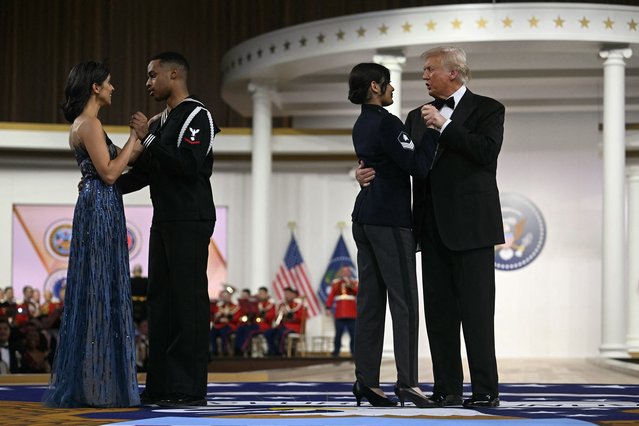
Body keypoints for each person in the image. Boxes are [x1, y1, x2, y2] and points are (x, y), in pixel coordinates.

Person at [357, 47, 504, 408]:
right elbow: (402, 163)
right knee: (438, 317)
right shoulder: (412, 116)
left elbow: (486, 152)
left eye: (429, 69)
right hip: (429, 229)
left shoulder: (489, 109)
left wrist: (446, 126)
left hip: (472, 230)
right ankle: (447, 388)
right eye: (423, 70)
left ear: (453, 73)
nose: (423, 76)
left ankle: (485, 390)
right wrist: (363, 174)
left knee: (477, 314)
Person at [118, 51, 219, 407]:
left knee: (187, 304)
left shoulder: (197, 114)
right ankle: (161, 383)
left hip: (190, 219)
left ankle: (188, 387)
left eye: (151, 75)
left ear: (173, 74)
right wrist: (109, 182)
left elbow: (189, 166)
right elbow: (146, 173)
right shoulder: (161, 122)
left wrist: (146, 140)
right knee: (160, 303)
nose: (147, 83)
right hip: (164, 220)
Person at [43, 60, 141, 407]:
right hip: (100, 207)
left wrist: (145, 133)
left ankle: (95, 383)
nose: (114, 88)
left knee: (98, 289)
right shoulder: (89, 124)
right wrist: (133, 138)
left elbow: (124, 159)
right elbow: (111, 173)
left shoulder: (86, 125)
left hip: (96, 205)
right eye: (110, 83)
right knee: (101, 290)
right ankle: (99, 386)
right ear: (95, 87)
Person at [347, 62, 437, 409]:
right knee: (405, 304)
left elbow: (375, 166)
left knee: (370, 304)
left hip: (364, 218)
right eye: (388, 85)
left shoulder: (360, 124)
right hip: (389, 221)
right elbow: (418, 166)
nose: (393, 90)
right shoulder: (387, 122)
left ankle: (366, 382)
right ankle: (408, 384)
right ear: (374, 86)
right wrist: (431, 132)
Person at [324, 265, 358, 357]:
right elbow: (331, 295)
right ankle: (336, 351)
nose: (345, 273)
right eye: (344, 271)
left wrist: (349, 284)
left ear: (350, 273)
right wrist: (328, 307)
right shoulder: (336, 283)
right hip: (340, 312)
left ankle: (354, 352)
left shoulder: (354, 282)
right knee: (338, 333)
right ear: (341, 273)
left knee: (353, 333)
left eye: (347, 271)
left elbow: (357, 292)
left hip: (352, 312)